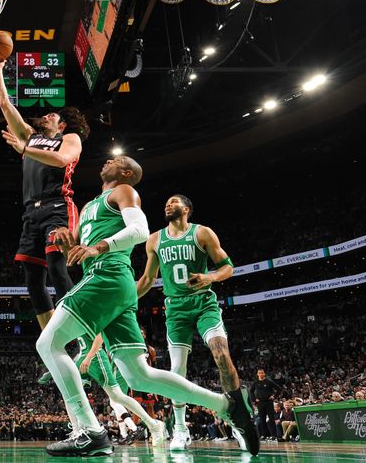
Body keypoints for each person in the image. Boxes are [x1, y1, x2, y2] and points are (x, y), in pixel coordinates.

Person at [37, 156, 259, 457]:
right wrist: (67, 244)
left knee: (48, 343)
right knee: (138, 376)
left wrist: (98, 247)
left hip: (108, 276)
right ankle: (226, 405)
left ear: (127, 173)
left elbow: (140, 230)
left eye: (117, 160)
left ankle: (90, 431)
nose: (108, 160)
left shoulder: (123, 191)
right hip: (113, 283)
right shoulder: (91, 205)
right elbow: (80, 251)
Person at [0, 55, 90, 382]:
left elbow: (61, 160)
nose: (45, 114)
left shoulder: (69, 139)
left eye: (52, 114)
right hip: (31, 214)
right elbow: (5, 106)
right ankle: (55, 345)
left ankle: (84, 342)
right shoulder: (31, 136)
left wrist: (23, 148)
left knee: (58, 270)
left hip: (59, 207)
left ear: (61, 125)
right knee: (33, 280)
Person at [135, 194, 247, 451]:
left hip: (203, 303)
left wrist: (210, 277)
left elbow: (227, 267)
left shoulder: (203, 233)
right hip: (175, 310)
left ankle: (237, 421)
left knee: (221, 354)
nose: (167, 204)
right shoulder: (155, 239)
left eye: (174, 201)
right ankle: (181, 428)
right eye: (166, 202)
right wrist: (124, 299)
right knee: (177, 370)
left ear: (186, 209)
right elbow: (146, 280)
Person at [76, 332, 165, 446]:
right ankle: (128, 432)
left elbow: (152, 364)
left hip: (133, 375)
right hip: (120, 372)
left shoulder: (147, 348)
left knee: (121, 401)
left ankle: (143, 428)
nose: (141, 334)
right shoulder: (114, 341)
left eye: (143, 332)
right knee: (117, 402)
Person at [250, 368, 282, 440]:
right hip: (260, 403)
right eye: (259, 373)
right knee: (262, 419)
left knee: (271, 419)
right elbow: (251, 391)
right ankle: (264, 435)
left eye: (262, 373)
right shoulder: (255, 383)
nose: (261, 374)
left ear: (264, 374)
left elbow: (279, 389)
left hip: (268, 402)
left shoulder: (269, 382)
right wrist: (254, 399)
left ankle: (274, 435)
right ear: (257, 374)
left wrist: (274, 396)